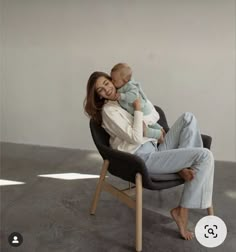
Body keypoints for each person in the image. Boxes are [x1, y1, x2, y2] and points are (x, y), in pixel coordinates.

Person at [84, 71, 214, 240]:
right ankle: (182, 210)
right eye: (100, 90)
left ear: (112, 81)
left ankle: (182, 167)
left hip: (156, 148)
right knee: (205, 156)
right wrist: (138, 110)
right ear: (99, 96)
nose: (106, 90)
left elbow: (154, 116)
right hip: (141, 158)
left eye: (106, 84)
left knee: (188, 118)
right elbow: (136, 137)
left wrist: (150, 128)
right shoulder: (109, 111)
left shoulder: (126, 97)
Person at [110, 63, 164, 143]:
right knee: (149, 124)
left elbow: (134, 96)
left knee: (143, 130)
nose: (112, 81)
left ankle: (158, 134)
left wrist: (121, 96)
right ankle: (160, 129)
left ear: (125, 80)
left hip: (142, 110)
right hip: (141, 111)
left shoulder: (130, 86)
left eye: (114, 80)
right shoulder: (123, 86)